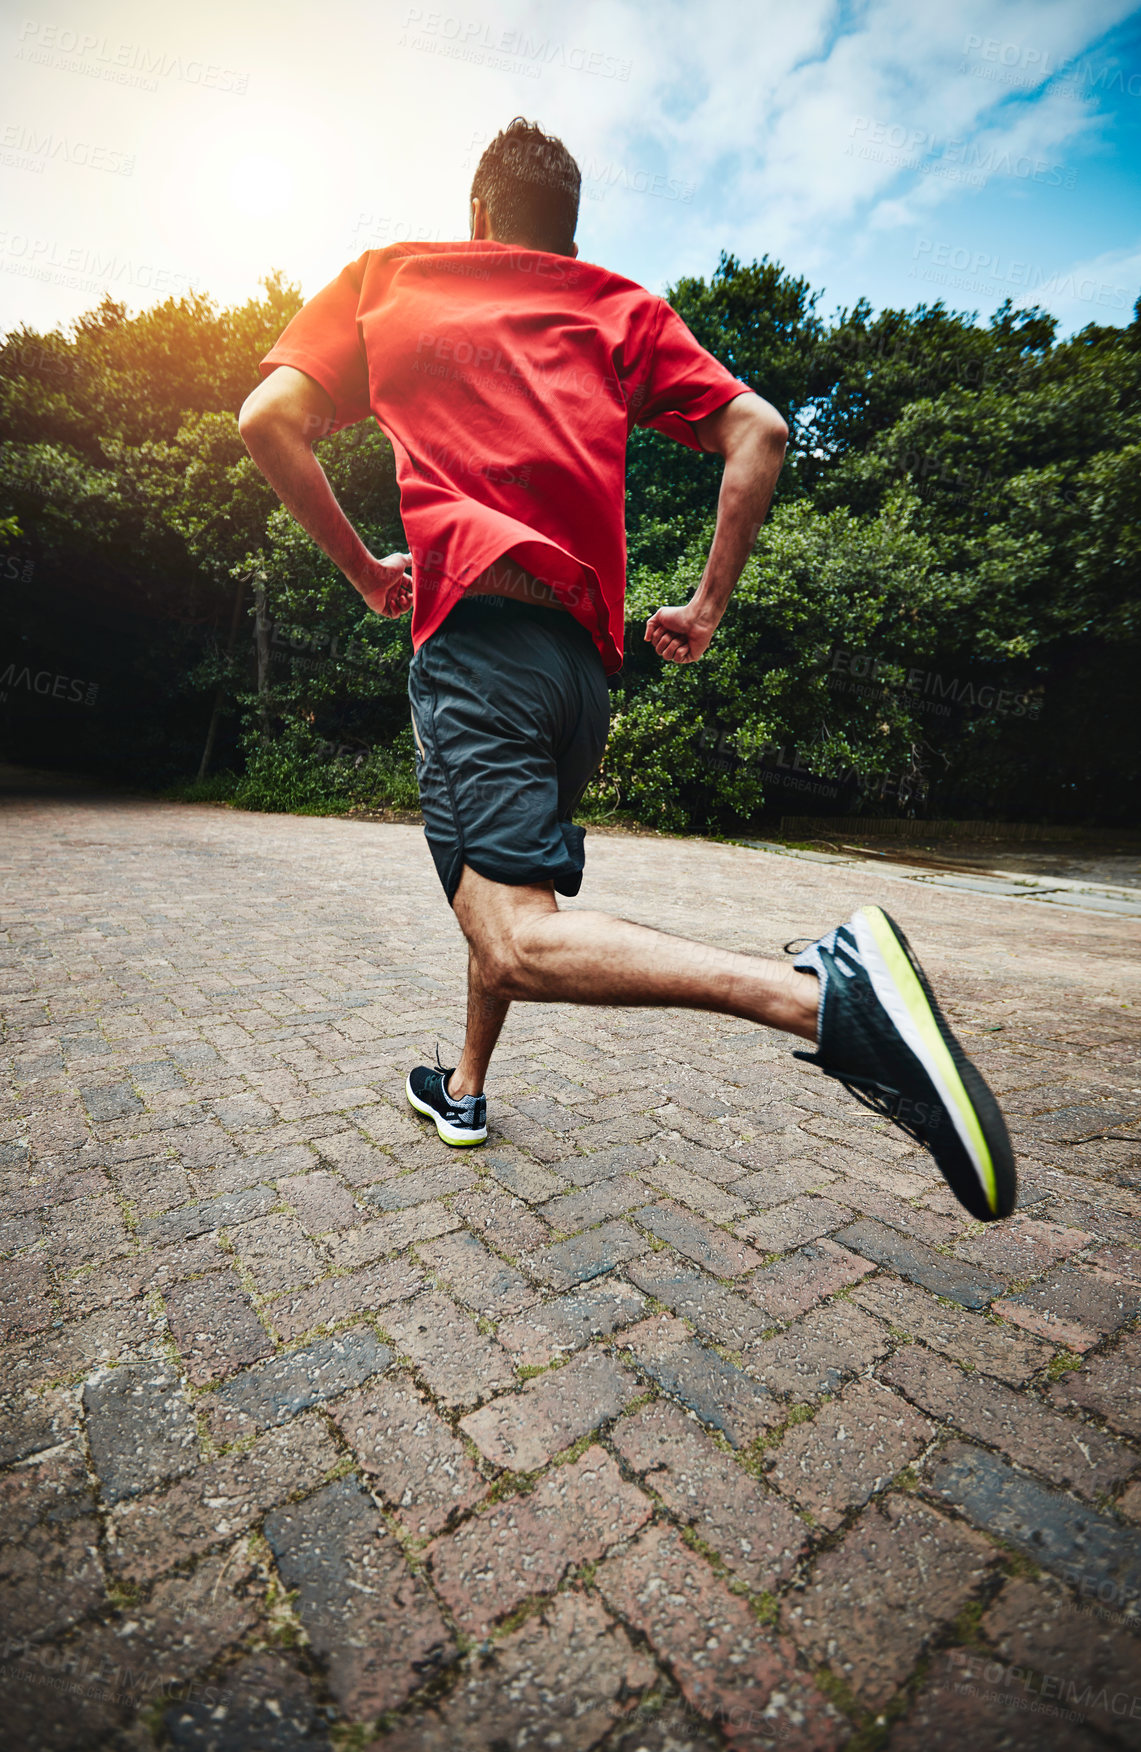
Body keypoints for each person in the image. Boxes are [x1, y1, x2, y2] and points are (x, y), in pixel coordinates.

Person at [239, 117, 1015, 1223]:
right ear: (567, 229)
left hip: (480, 651)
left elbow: (268, 418)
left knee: (511, 936)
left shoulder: (389, 279)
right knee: (508, 899)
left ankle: (824, 1000)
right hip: (579, 681)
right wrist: (704, 605)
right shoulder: (618, 307)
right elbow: (764, 432)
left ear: (478, 214)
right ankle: (463, 1088)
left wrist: (367, 571)